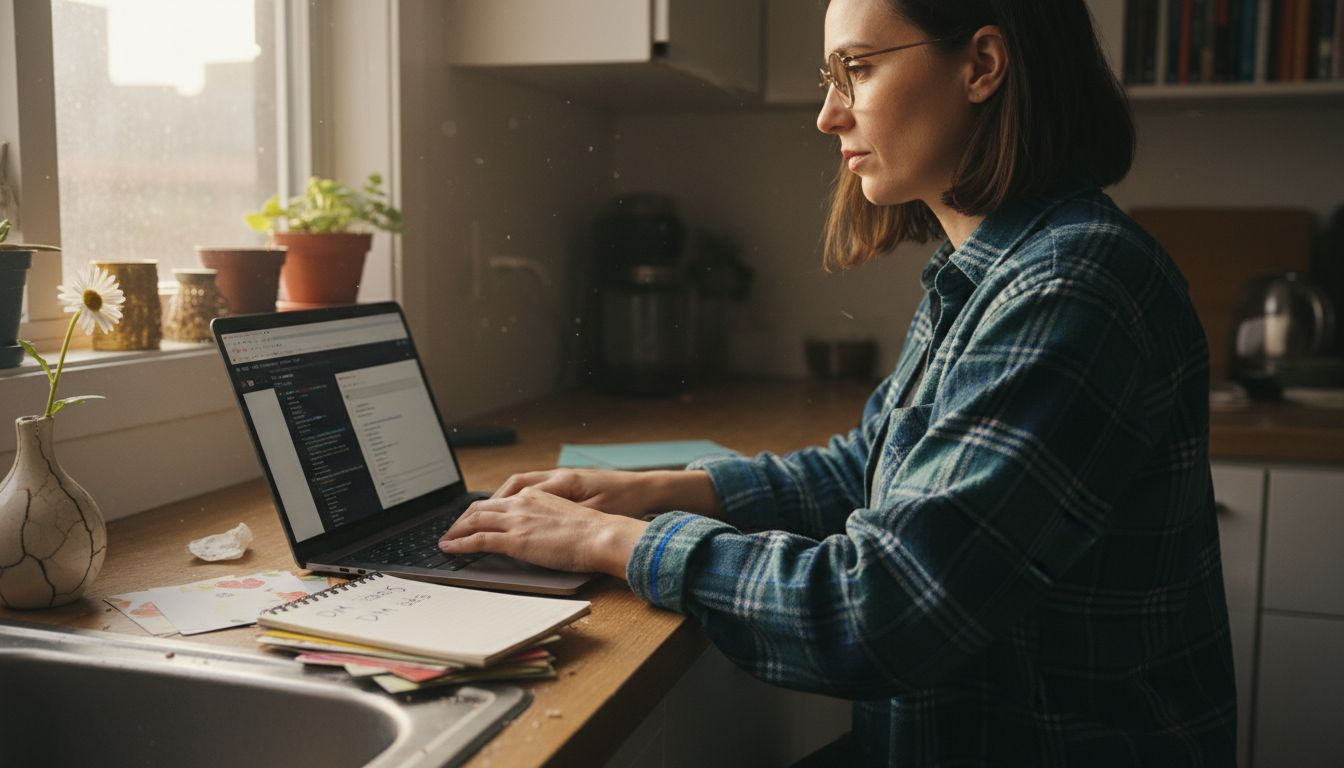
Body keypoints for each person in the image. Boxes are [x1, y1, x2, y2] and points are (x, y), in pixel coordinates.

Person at [438, 0, 1237, 764]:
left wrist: (614, 543)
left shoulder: (1069, 285)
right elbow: (868, 469)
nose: (828, 115)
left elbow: (882, 612)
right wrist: (652, 491)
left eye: (855, 68)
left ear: (983, 65)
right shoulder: (993, 270)